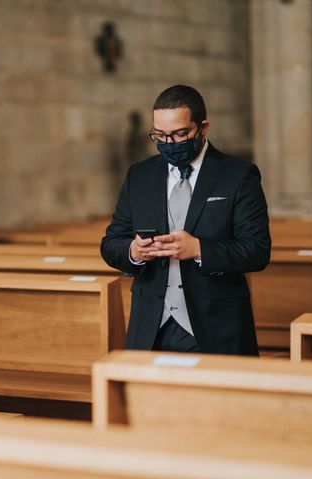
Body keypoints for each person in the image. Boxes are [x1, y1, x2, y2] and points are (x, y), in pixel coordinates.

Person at [100, 85, 270, 355]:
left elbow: (257, 250)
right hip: (150, 327)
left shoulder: (238, 175)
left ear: (203, 128)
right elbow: (111, 243)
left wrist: (199, 249)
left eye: (179, 134)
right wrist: (133, 251)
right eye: (160, 136)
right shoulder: (139, 176)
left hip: (216, 328)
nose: (169, 144)